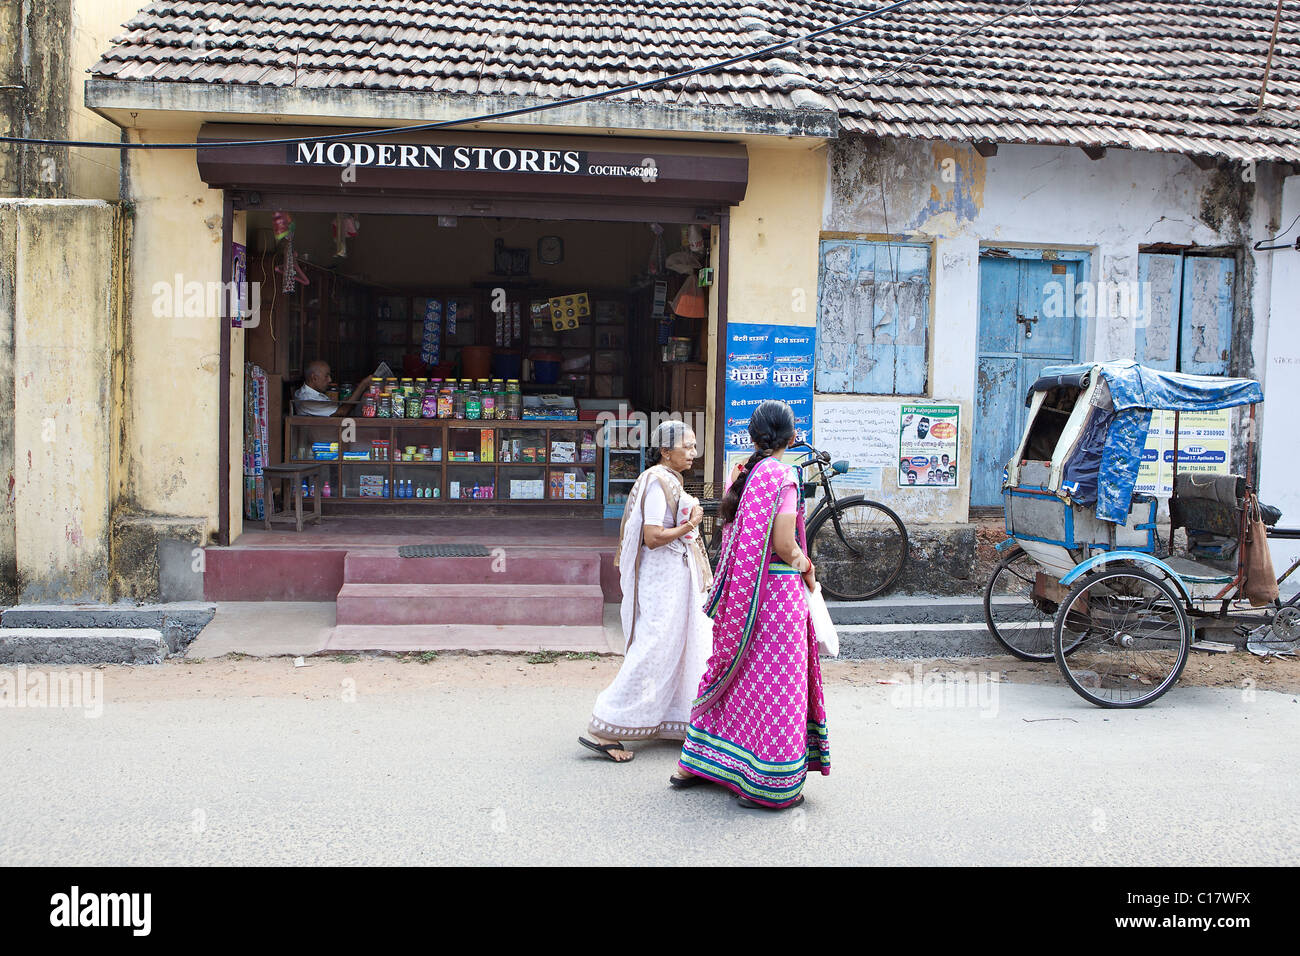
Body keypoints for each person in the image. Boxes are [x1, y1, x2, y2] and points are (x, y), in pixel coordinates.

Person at [673, 399, 829, 809]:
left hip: (743, 597)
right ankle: (769, 784)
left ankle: (697, 763)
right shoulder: (785, 477)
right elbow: (783, 544)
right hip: (777, 598)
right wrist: (808, 566)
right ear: (792, 437)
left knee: (736, 678)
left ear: (753, 437)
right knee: (777, 689)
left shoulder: (744, 474)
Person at [578, 421, 714, 763]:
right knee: (653, 649)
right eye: (688, 446)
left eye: (695, 446)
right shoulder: (657, 481)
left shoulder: (669, 479)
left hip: (673, 578)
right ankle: (606, 727)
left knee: (676, 647)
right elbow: (653, 537)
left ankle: (672, 719)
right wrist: (690, 524)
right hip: (661, 581)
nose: (694, 453)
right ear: (666, 451)